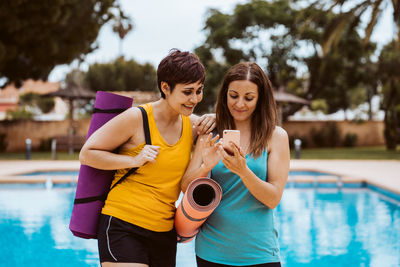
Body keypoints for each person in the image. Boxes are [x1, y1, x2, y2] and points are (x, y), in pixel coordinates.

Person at [79, 49, 215, 267]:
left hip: (164, 233)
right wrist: (132, 160)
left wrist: (214, 117)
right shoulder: (137, 118)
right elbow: (87, 153)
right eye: (187, 92)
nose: (195, 99)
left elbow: (222, 126)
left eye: (199, 91)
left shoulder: (192, 126)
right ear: (165, 87)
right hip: (123, 224)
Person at [181, 62, 290, 267]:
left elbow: (273, 199)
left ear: (260, 99)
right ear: (224, 95)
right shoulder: (210, 132)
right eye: (233, 96)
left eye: (249, 98)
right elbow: (186, 187)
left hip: (260, 253)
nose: (240, 104)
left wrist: (243, 170)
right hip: (211, 251)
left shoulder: (276, 137)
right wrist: (206, 166)